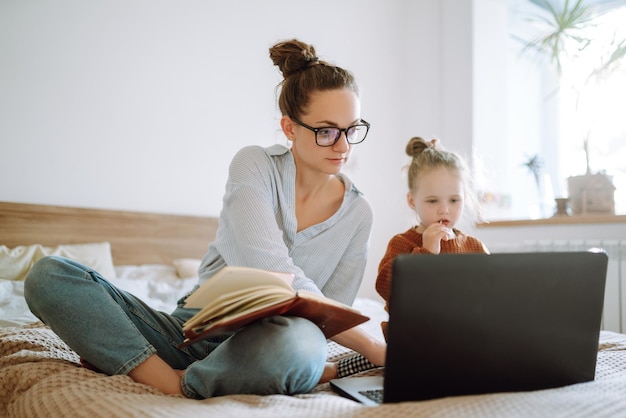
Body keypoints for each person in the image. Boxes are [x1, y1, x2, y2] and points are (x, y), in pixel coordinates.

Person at [24, 39, 385, 399]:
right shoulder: (254, 164)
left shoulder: (359, 214)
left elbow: (332, 315)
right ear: (289, 128)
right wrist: (372, 347)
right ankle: (169, 380)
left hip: (274, 341)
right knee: (49, 274)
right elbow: (267, 267)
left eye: (352, 129)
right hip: (192, 331)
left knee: (300, 345)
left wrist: (331, 337)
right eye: (326, 131)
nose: (343, 146)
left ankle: (180, 373)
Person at [376, 137, 489, 340]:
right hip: (414, 334)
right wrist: (425, 252)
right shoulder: (402, 243)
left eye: (454, 200)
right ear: (412, 201)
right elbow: (386, 288)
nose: (444, 209)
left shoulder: (473, 246)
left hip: (462, 333)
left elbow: (492, 291)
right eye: (432, 200)